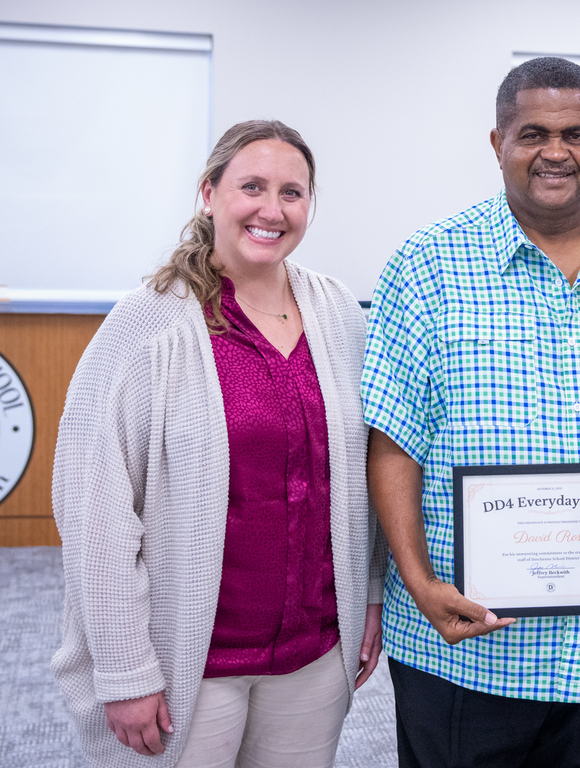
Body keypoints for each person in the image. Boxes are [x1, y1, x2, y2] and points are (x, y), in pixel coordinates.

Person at [361, 56, 580, 768]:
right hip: (468, 643)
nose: (556, 151)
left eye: (575, 134)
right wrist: (420, 581)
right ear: (497, 143)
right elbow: (393, 440)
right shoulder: (428, 266)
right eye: (532, 133)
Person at [52, 119, 386, 767]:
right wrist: (124, 670)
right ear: (209, 194)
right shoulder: (148, 323)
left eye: (293, 192)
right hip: (190, 657)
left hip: (312, 652)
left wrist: (368, 596)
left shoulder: (339, 311)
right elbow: (95, 511)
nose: (272, 209)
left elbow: (359, 474)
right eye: (252, 187)